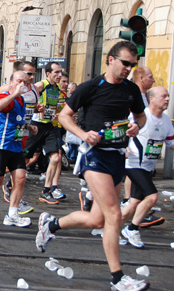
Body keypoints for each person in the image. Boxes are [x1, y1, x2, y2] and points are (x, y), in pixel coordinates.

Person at [36, 41, 147, 291]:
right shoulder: (90, 87)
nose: (129, 68)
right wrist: (84, 134)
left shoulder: (131, 90)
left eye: (132, 64)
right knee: (114, 215)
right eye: (125, 63)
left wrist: (136, 126)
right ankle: (118, 278)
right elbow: (64, 116)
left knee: (97, 220)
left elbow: (141, 116)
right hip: (93, 156)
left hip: (117, 155)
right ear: (111, 59)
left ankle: (51, 225)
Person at [120, 86, 174, 249]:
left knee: (134, 203)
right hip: (133, 164)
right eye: (164, 96)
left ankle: (110, 229)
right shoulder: (140, 116)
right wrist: (124, 147)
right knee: (152, 197)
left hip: (147, 168)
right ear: (151, 98)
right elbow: (121, 130)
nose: (167, 99)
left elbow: (171, 143)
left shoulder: (166, 121)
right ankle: (132, 229)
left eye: (168, 96)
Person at [0, 71, 37, 228]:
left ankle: (12, 215)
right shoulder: (7, 95)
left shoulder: (21, 100)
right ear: (11, 83)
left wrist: (28, 127)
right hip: (1, 144)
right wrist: (14, 93)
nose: (23, 85)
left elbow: (17, 120)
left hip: (15, 145)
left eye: (25, 82)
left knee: (20, 179)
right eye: (19, 81)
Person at [25, 61, 64, 204]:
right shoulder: (41, 85)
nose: (60, 75)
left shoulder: (58, 88)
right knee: (25, 159)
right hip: (36, 125)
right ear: (48, 74)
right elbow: (27, 96)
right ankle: (10, 184)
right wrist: (37, 107)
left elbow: (56, 106)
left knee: (55, 158)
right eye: (56, 72)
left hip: (50, 126)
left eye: (61, 72)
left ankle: (46, 191)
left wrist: (57, 113)